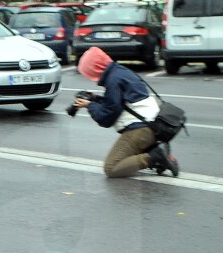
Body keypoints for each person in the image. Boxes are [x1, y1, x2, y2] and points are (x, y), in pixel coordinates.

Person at [73, 47, 179, 178]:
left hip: (140, 129)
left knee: (111, 168)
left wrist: (90, 105)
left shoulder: (112, 81)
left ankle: (155, 157)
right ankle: (160, 157)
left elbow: (107, 117)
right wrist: (95, 98)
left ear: (94, 69)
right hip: (153, 124)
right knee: (126, 156)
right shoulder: (120, 71)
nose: (91, 79)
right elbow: (118, 103)